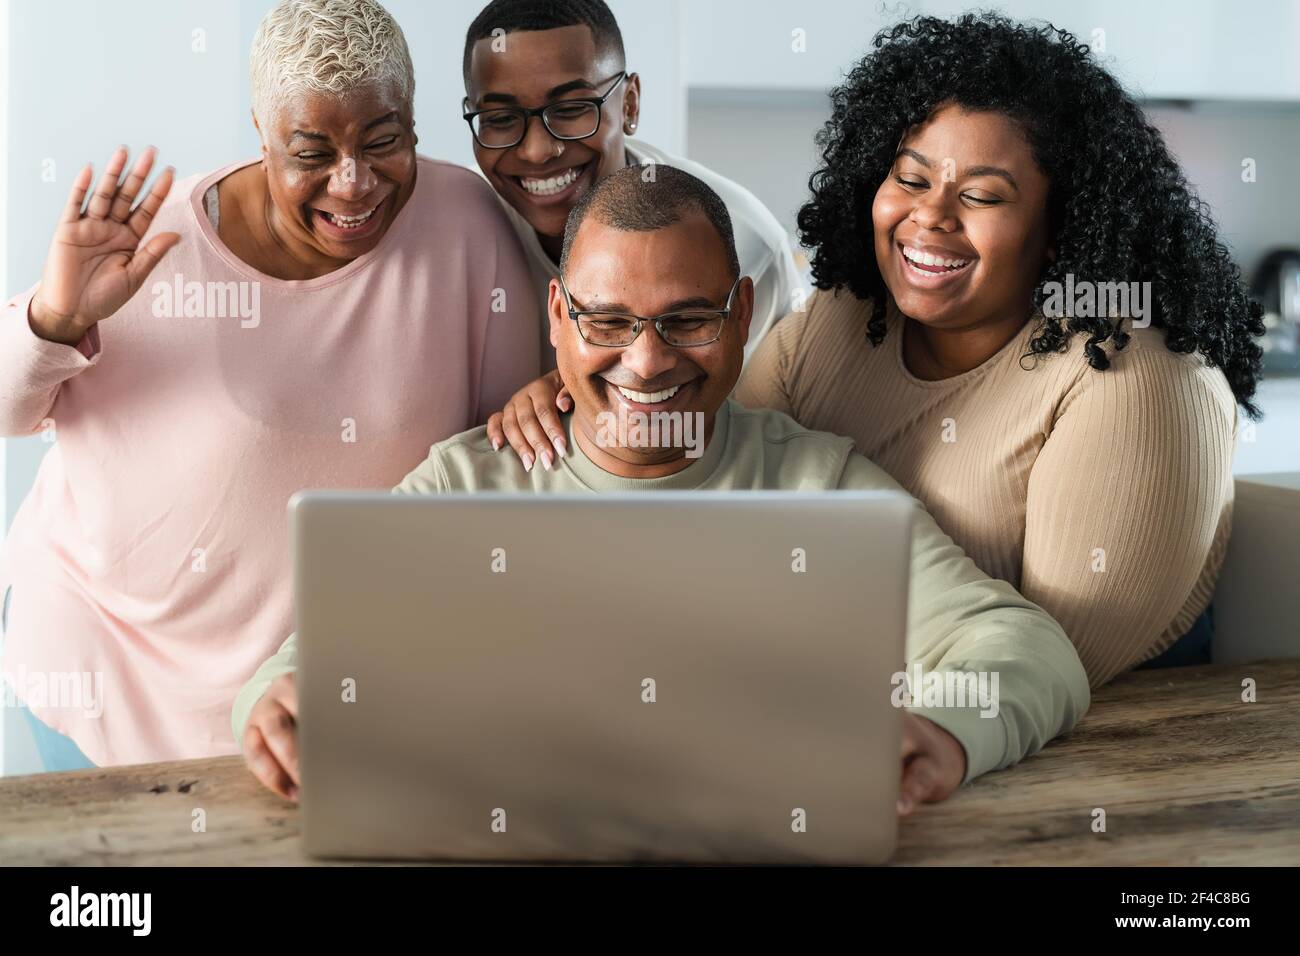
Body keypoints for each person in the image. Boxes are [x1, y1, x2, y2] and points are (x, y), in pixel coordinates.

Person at [234, 165, 1089, 817]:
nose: (646, 363)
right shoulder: (463, 487)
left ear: (743, 314)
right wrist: (278, 710)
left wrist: (941, 731)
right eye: (608, 323)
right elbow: (301, 664)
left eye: (688, 320)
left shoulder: (816, 487)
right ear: (559, 317)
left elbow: (1023, 648)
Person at [485, 13, 1267, 687]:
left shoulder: (1137, 380)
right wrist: (572, 397)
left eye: (983, 196)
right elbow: (714, 486)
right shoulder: (843, 320)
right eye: (911, 178)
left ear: (1067, 222)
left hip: (1096, 764)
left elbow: (1047, 665)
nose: (930, 220)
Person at [0, 0, 539, 772]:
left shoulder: (465, 228)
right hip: (101, 667)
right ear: (262, 135)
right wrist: (54, 317)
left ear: (416, 126)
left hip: (313, 688)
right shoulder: (155, 247)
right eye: (312, 153)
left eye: (382, 142)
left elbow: (499, 464)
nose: (352, 185)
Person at [461, 0, 805, 415]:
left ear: (629, 104)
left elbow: (752, 443)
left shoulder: (741, 242)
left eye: (571, 110)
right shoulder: (459, 231)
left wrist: (582, 390)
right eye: (500, 118)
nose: (537, 151)